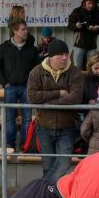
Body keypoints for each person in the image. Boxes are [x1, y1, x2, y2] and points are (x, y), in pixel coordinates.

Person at [27, 39, 84, 182]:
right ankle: (49, 193)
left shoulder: (75, 72)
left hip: (67, 127)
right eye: (60, 55)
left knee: (63, 165)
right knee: (48, 166)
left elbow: (75, 98)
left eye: (66, 54)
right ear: (51, 57)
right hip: (44, 127)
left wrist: (47, 102)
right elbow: (32, 97)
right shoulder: (36, 72)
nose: (65, 58)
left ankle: (44, 188)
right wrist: (58, 93)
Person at [0, 18, 40, 150]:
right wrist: (4, 82)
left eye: (26, 29)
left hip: (27, 87)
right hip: (10, 87)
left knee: (27, 118)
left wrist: (32, 83)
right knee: (9, 118)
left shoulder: (32, 49)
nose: (26, 32)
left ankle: (25, 145)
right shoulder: (4, 47)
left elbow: (38, 68)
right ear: (15, 31)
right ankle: (9, 145)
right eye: (23, 29)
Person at [67, 0, 99, 69]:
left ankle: (90, 77)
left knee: (92, 66)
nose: (91, 5)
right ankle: (77, 77)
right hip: (79, 45)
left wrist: (97, 29)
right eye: (89, 3)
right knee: (77, 67)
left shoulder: (98, 13)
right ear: (84, 3)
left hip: (92, 45)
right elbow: (70, 26)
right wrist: (76, 26)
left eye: (93, 4)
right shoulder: (77, 11)